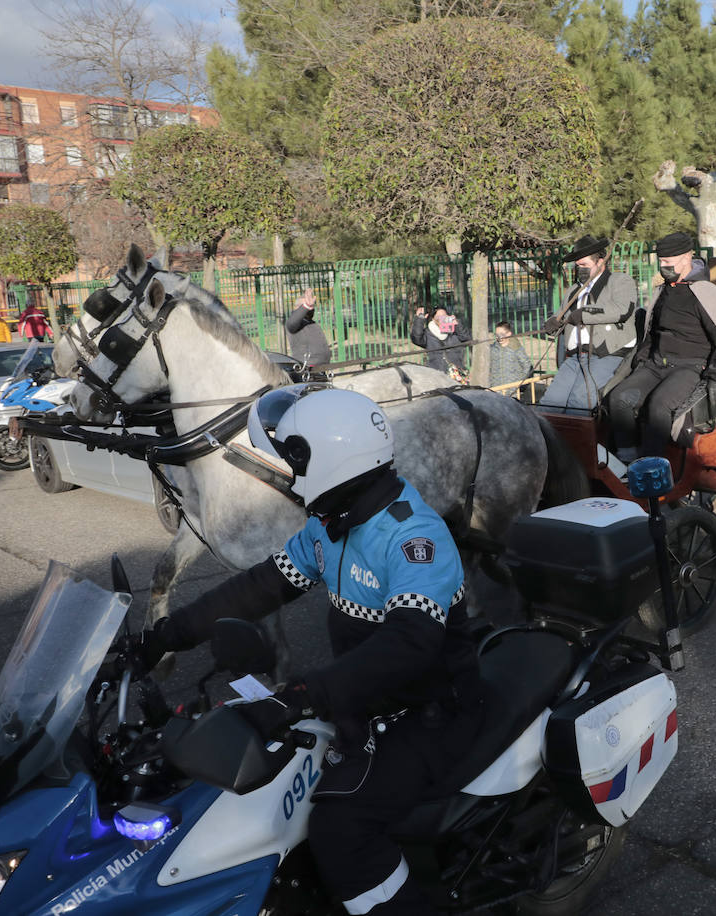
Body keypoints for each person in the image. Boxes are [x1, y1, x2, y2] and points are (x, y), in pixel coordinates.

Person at [131, 386, 483, 915]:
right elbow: (259, 587)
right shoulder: (332, 527)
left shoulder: (413, 537)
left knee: (342, 828)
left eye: (294, 465)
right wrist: (162, 635)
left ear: (330, 463)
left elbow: (409, 646)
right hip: (368, 697)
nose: (287, 480)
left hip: (430, 710)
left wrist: (298, 694)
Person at [604, 231, 716, 459]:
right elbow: (651, 332)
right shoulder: (663, 291)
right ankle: (626, 461)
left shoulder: (706, 292)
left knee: (659, 406)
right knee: (618, 398)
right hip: (656, 364)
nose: (662, 265)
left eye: (667, 261)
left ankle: (652, 467)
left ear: (686, 258)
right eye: (660, 261)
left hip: (690, 367)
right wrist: (642, 360)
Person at [545, 235, 637, 366]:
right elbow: (561, 315)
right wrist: (552, 323)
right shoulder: (573, 290)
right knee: (555, 388)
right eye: (577, 266)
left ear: (600, 262)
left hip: (605, 355)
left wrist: (584, 314)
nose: (579, 269)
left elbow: (621, 310)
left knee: (581, 388)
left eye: (584, 265)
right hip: (572, 358)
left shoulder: (619, 281)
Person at [285, 287, 332, 368]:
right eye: (305, 306)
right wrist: (306, 306)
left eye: (311, 306)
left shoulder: (310, 322)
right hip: (306, 369)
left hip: (322, 367)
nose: (310, 309)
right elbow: (292, 322)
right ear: (297, 308)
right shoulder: (293, 323)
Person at [422, 306, 471, 380]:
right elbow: (416, 338)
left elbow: (466, 339)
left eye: (444, 316)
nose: (442, 318)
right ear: (433, 319)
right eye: (439, 316)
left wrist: (457, 325)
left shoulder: (455, 331)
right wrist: (419, 320)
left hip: (456, 372)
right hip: (437, 373)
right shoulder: (428, 333)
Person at [488, 321, 533, 393]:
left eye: (501, 334)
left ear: (509, 333)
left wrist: (521, 384)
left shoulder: (516, 348)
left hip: (513, 390)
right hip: (496, 389)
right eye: (496, 335)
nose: (498, 337)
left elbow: (527, 366)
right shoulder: (493, 349)